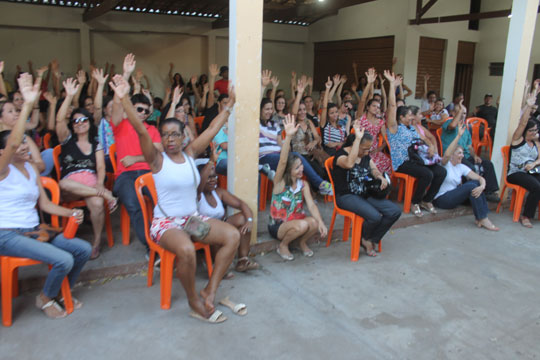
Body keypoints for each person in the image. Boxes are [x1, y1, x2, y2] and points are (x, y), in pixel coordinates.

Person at [110, 72, 239, 323]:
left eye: (174, 135)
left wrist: (230, 105)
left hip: (191, 220)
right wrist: (123, 97)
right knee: (187, 250)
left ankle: (209, 290)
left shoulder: (190, 154)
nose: (169, 139)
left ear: (183, 137)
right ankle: (193, 300)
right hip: (165, 223)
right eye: (165, 135)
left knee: (232, 236)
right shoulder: (156, 160)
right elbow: (139, 128)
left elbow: (213, 129)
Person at [0, 73, 91, 319]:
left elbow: (46, 204)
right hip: (7, 234)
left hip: (33, 229)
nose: (22, 146)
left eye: (24, 144)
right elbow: (13, 141)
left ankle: (60, 293)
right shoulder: (2, 170)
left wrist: (71, 212)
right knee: (63, 259)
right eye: (16, 145)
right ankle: (45, 298)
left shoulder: (31, 168)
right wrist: (28, 104)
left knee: (82, 249)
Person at [55, 77, 118, 259]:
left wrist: (99, 183)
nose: (80, 123)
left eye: (84, 120)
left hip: (90, 183)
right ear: (72, 126)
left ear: (89, 122)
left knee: (97, 205)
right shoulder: (67, 139)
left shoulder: (95, 142)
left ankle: (97, 242)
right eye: (76, 121)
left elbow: (100, 166)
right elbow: (59, 120)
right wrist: (69, 96)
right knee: (64, 183)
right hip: (71, 186)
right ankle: (106, 194)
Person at [110, 54, 163, 256]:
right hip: (126, 176)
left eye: (146, 111)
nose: (142, 113)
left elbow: (159, 151)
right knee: (134, 206)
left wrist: (137, 158)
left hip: (150, 173)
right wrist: (125, 75)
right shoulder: (121, 125)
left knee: (164, 202)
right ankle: (152, 247)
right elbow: (116, 106)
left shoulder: (152, 130)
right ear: (131, 107)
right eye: (138, 109)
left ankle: (170, 236)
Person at [333, 123, 401, 256]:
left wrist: (380, 177)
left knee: (394, 211)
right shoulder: (340, 155)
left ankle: (369, 238)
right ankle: (365, 239)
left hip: (365, 193)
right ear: (355, 144)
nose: (366, 153)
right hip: (347, 196)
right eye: (364, 149)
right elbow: (349, 164)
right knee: (374, 216)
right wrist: (357, 140)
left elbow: (374, 168)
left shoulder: (365, 155)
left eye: (369, 149)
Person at [385, 71, 447, 217]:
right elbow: (392, 106)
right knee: (427, 174)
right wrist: (392, 86)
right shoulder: (394, 128)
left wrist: (431, 147)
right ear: (401, 117)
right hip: (403, 162)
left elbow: (425, 139)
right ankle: (415, 202)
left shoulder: (412, 128)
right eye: (409, 115)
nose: (412, 117)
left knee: (441, 172)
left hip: (417, 159)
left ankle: (427, 199)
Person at [269, 114, 328, 261]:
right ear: (289, 170)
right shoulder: (280, 182)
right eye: (297, 168)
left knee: (313, 223)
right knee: (302, 225)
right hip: (279, 225)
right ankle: (282, 245)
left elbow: (312, 207)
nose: (301, 169)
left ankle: (301, 243)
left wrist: (321, 223)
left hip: (296, 220)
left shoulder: (303, 185)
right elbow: (282, 162)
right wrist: (288, 137)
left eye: (301, 166)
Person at [198, 150, 259, 272]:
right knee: (216, 231)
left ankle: (243, 260)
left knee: (243, 218)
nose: (212, 180)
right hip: (204, 230)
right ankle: (218, 267)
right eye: (208, 177)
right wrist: (211, 160)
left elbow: (242, 204)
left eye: (214, 176)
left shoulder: (219, 192)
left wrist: (250, 220)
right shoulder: (197, 195)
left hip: (221, 228)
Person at [259, 97, 333, 195]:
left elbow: (280, 143)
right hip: (265, 157)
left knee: (295, 160)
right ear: (260, 110)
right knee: (296, 157)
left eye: (271, 109)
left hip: (279, 156)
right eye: (266, 109)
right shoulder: (257, 124)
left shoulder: (275, 125)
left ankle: (294, 196)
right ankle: (319, 184)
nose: (269, 111)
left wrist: (286, 149)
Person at [433, 123, 499, 231]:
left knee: (475, 184)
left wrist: (482, 186)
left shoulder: (461, 167)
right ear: (452, 155)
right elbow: (447, 154)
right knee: (471, 186)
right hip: (442, 199)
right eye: (459, 153)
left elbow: (479, 178)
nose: (462, 155)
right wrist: (458, 136)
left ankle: (482, 217)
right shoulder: (444, 163)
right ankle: (482, 218)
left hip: (454, 197)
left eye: (462, 153)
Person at [440, 100, 500, 202]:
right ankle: (468, 196)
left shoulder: (465, 129)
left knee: (488, 164)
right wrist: (460, 111)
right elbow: (453, 126)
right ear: (454, 113)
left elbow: (469, 147)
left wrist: (475, 156)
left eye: (464, 113)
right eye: (460, 112)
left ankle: (489, 192)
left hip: (465, 156)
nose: (463, 115)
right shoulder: (448, 123)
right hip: (453, 156)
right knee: (471, 167)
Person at [507, 90, 540, 228]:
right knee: (537, 187)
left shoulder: (536, 143)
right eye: (532, 130)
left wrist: (534, 163)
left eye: (536, 130)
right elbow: (522, 123)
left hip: (531, 171)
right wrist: (528, 105)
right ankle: (526, 216)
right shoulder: (518, 140)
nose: (534, 133)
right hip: (516, 173)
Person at [358, 98, 392, 174]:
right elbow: (362, 101)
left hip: (373, 151)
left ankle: (382, 184)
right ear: (367, 107)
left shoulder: (380, 122)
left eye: (378, 107)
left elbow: (387, 139)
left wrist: (379, 149)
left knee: (388, 163)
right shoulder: (361, 118)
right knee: (371, 166)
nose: (376, 108)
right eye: (374, 106)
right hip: (360, 150)